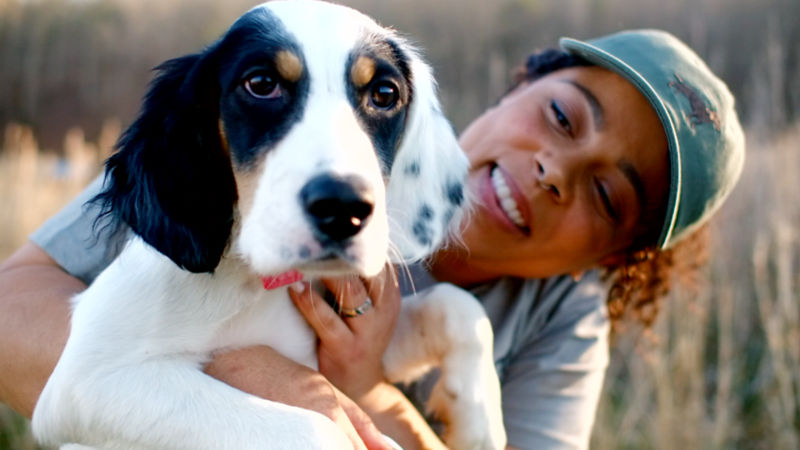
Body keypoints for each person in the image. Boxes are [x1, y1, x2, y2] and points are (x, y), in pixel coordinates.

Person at [0, 29, 744, 449]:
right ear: (520, 82)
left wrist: (367, 386)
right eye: (560, 116)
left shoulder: (563, 321)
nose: (556, 169)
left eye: (608, 194)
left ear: (611, 260)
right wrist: (267, 383)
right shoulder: (260, 154)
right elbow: (12, 313)